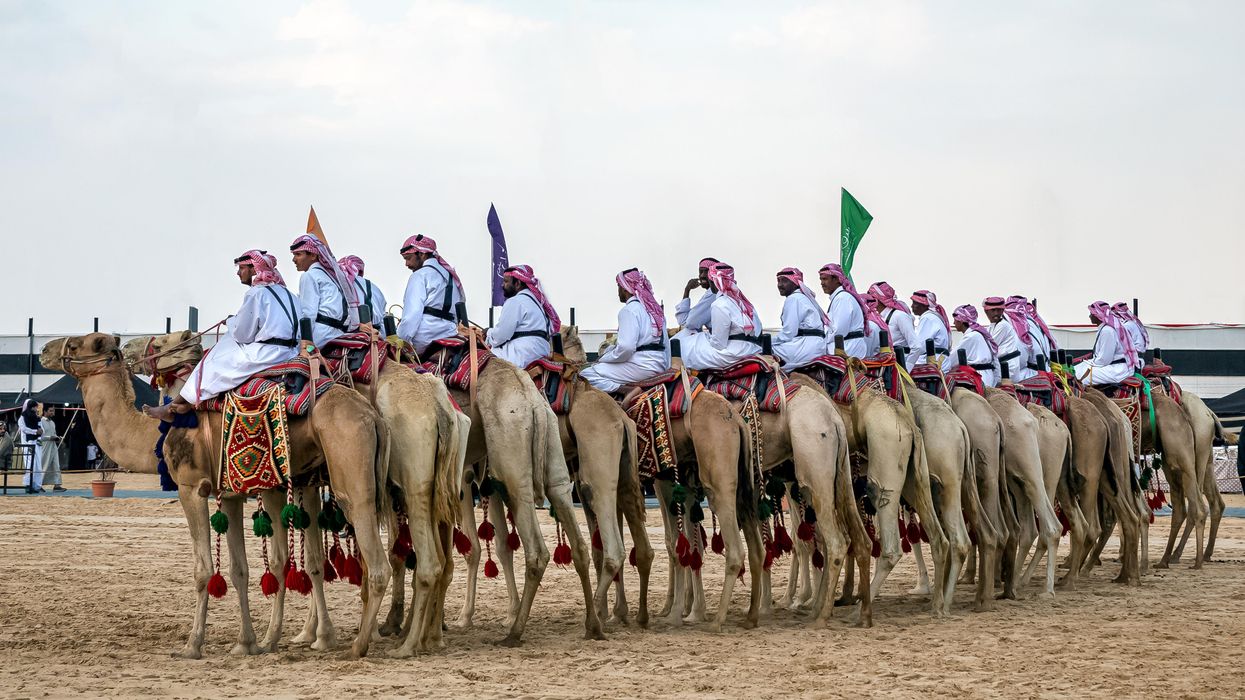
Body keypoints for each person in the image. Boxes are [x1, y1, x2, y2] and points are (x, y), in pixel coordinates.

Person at [146, 251, 301, 419]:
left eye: (242, 268)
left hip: (268, 354)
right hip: (292, 351)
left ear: (254, 269)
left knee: (214, 358)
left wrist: (231, 322)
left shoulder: (256, 293)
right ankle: (187, 403)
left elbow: (243, 335)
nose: (238, 273)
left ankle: (175, 405)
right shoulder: (290, 295)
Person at [580, 268, 671, 392]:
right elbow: (666, 345)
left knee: (586, 374)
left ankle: (625, 390)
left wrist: (603, 358)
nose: (618, 292)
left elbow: (626, 348)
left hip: (641, 366)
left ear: (625, 288)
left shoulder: (629, 310)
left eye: (618, 286)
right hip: (659, 364)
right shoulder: (655, 311)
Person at [680, 263, 764, 370]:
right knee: (698, 340)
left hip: (734, 353)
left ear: (713, 282)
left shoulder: (720, 304)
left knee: (685, 348)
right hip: (752, 349)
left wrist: (706, 338)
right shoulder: (745, 302)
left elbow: (719, 344)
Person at [397, 234, 466, 355]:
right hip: (450, 334)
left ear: (422, 254)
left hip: (424, 338)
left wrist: (401, 339)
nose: (406, 264)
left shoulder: (419, 275)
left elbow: (412, 315)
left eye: (408, 258)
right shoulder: (451, 277)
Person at [290, 234, 359, 349]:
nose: (294, 259)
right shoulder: (331, 276)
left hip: (320, 336)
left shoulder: (309, 275)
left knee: (290, 354)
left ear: (312, 255)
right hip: (339, 334)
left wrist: (302, 342)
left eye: (298, 254)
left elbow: (308, 314)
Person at [486, 264, 560, 369]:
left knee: (483, 359)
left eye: (506, 281)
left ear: (518, 283)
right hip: (539, 351)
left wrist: (488, 334)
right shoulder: (537, 304)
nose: (502, 285)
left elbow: (501, 336)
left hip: (521, 355)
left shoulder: (516, 301)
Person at [818, 263, 879, 359]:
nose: (821, 283)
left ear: (836, 279)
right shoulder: (839, 298)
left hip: (848, 349)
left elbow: (839, 331)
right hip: (844, 347)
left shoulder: (843, 298)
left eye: (825, 279)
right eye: (821, 280)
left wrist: (821, 342)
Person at [771, 267, 828, 369]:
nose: (780, 285)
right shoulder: (803, 298)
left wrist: (766, 341)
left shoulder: (793, 299)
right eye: (778, 281)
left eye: (784, 281)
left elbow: (788, 333)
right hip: (815, 346)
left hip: (803, 347)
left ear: (795, 282)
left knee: (761, 351)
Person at [1074, 301, 1139, 385]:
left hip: (1117, 369)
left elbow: (1104, 360)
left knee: (1079, 375)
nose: (1089, 316)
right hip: (1113, 366)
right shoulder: (1105, 329)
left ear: (1098, 315)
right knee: (1076, 369)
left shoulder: (1107, 331)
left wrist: (1088, 362)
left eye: (1091, 314)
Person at [944, 305, 1001, 387]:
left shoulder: (971, 336)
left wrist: (940, 366)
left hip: (978, 377)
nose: (953, 323)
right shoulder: (977, 334)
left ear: (961, 321)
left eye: (955, 320)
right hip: (986, 375)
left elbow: (952, 359)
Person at [983, 296, 1030, 381]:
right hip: (1000, 367)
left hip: (1007, 370)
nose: (996, 313)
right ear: (986, 311)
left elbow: (988, 347)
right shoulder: (991, 327)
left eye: (999, 310)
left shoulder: (1003, 325)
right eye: (993, 310)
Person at [869, 281, 918, 359]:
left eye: (870, 298)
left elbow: (916, 347)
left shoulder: (899, 316)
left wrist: (907, 367)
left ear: (877, 300)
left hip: (900, 362)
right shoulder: (877, 318)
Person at [339, 255, 388, 327]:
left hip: (346, 334)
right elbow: (383, 319)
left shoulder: (340, 284)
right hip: (376, 334)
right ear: (361, 270)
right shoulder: (375, 288)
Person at [674, 257, 719, 333]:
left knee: (686, 334)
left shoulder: (713, 293)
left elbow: (688, 323)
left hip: (725, 341)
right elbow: (687, 321)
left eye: (707, 272)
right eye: (700, 272)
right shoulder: (715, 291)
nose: (702, 276)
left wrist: (687, 290)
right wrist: (687, 290)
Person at [908, 290, 951, 370]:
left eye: (915, 303)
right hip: (938, 360)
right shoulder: (931, 317)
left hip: (934, 362)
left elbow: (920, 346)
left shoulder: (928, 318)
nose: (912, 306)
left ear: (924, 305)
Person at [18, 399, 43, 493]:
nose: (36, 409)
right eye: (35, 407)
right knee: (30, 464)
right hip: (28, 443)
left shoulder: (36, 417)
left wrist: (40, 431)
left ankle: (37, 485)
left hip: (37, 442)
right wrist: (35, 431)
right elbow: (24, 429)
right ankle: (28, 484)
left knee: (38, 465)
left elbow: (40, 427)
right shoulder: (23, 417)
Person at [38, 406, 65, 492]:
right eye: (50, 411)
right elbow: (40, 437)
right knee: (44, 465)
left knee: (56, 465)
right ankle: (38, 485)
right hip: (44, 447)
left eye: (53, 411)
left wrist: (57, 438)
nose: (52, 413)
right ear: (45, 411)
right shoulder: (40, 422)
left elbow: (54, 434)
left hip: (53, 446)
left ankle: (57, 485)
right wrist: (50, 437)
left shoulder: (52, 423)